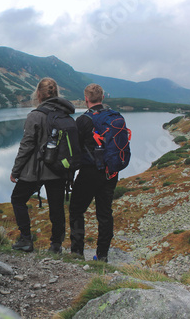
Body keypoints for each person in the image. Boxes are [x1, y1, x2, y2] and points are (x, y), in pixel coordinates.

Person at [10, 77, 75, 254]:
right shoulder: (65, 115)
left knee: (17, 199)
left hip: (36, 171)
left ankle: (25, 239)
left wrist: (16, 170)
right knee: (56, 207)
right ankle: (56, 245)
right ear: (56, 94)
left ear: (38, 94)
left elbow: (26, 146)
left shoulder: (35, 116)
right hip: (59, 170)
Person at [69, 83, 118, 262]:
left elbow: (74, 150)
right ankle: (102, 255)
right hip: (111, 172)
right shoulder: (114, 117)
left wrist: (70, 175)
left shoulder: (83, 120)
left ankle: (77, 253)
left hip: (89, 172)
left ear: (86, 99)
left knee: (76, 210)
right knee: (105, 213)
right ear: (102, 98)